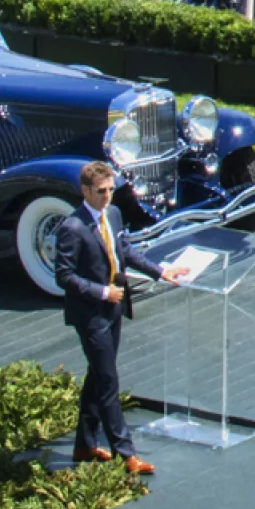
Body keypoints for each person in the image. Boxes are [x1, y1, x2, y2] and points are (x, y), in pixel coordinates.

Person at [54, 161, 167, 476]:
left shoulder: (113, 215)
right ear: (86, 191)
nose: (107, 197)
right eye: (101, 191)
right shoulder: (71, 228)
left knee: (98, 375)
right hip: (90, 314)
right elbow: (64, 276)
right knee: (107, 381)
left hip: (114, 309)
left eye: (111, 190)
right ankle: (126, 454)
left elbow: (126, 253)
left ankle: (85, 444)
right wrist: (102, 292)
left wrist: (161, 271)